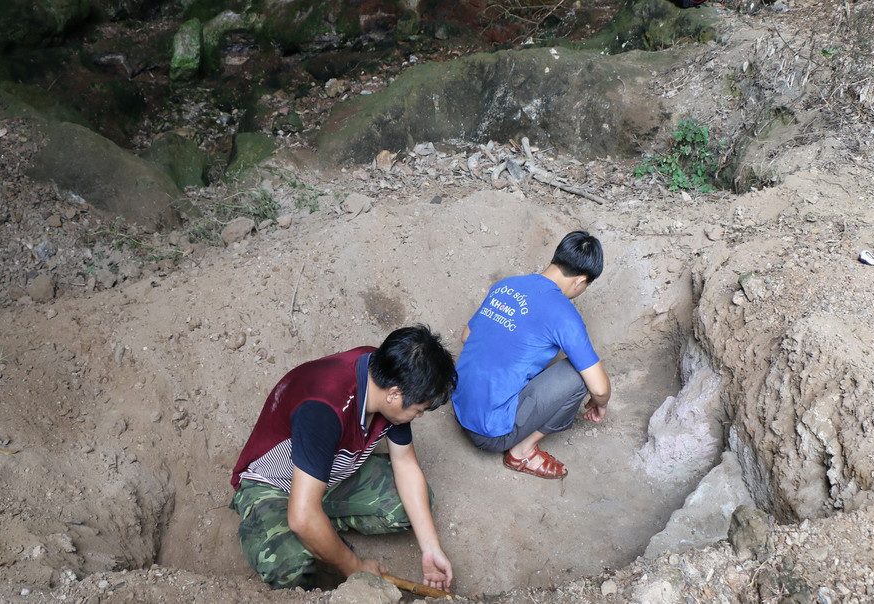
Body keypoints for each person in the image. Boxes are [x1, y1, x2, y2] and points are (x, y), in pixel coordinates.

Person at [229, 324, 456, 591]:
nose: (418, 416)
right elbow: (302, 516)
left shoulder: (387, 371)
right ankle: (307, 533)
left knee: (409, 506)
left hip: (332, 474)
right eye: (418, 410)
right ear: (394, 394)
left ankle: (321, 530)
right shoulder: (324, 409)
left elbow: (405, 463)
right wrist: (356, 567)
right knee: (288, 565)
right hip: (274, 484)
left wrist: (431, 548)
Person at [452, 230, 612, 479]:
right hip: (490, 433)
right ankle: (522, 452)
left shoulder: (506, 285)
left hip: (460, 406)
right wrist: (599, 405)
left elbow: (466, 335)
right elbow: (600, 388)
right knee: (579, 375)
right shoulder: (564, 314)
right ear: (580, 281)